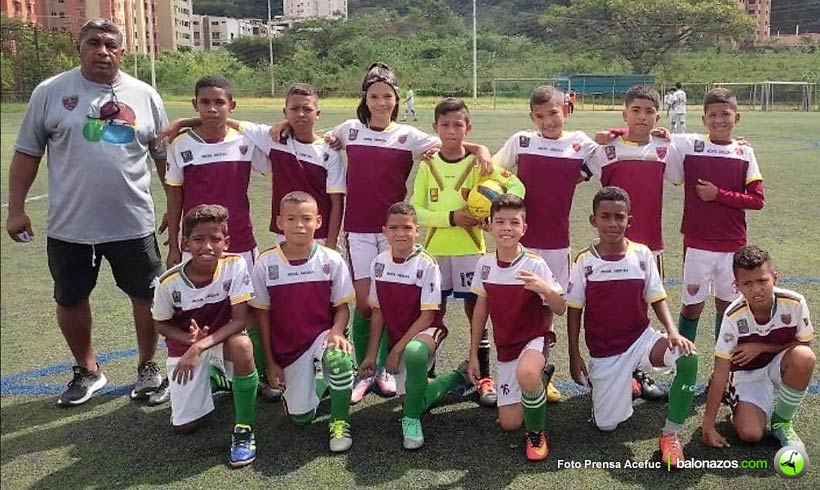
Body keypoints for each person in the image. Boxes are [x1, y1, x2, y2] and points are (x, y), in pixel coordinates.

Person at [5, 18, 168, 407]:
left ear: (122, 51)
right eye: (93, 43)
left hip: (133, 222)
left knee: (148, 296)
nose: (102, 51)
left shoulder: (145, 95)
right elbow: (27, 153)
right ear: (78, 48)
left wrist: (176, 210)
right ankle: (88, 369)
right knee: (70, 298)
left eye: (111, 45)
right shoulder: (51, 92)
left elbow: (164, 158)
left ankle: (148, 367)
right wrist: (16, 209)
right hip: (71, 226)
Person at [321, 62, 493, 404]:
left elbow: (453, 142)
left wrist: (482, 150)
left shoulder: (408, 136)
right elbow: (320, 139)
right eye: (374, 96)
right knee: (366, 304)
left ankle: (387, 367)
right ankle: (364, 370)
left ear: (396, 99)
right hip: (358, 228)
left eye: (387, 96)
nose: (381, 102)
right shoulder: (349, 130)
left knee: (395, 299)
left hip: (396, 231)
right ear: (365, 98)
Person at [160, 75, 274, 404]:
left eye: (219, 103)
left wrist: (185, 120)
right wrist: (174, 246)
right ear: (195, 104)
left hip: (241, 240)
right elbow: (174, 195)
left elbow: (276, 148)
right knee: (196, 310)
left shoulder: (245, 141)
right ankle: (203, 373)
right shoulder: (180, 144)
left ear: (231, 106)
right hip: (195, 246)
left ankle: (256, 372)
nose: (212, 109)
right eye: (205, 103)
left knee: (249, 311)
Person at [566, 187, 698, 468]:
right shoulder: (584, 261)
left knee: (687, 356)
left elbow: (656, 297)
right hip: (606, 351)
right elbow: (574, 309)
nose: (613, 223)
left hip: (641, 339)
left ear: (629, 220)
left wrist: (672, 332)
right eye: (605, 217)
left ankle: (670, 433)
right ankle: (625, 381)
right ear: (593, 220)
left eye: (619, 217)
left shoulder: (641, 254)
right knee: (606, 426)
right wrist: (574, 354)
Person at [411, 97, 525, 408]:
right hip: (435, 252)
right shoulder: (428, 164)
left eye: (457, 125)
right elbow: (416, 211)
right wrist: (451, 218)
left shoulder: (479, 164)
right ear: (435, 128)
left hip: (471, 250)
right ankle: (427, 372)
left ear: (468, 128)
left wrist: (494, 215)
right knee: (432, 313)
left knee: (477, 312)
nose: (451, 131)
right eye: (445, 125)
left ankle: (483, 376)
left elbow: (517, 188)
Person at [492, 85, 597, 403]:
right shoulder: (521, 141)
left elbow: (610, 154)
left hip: (556, 241)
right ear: (532, 118)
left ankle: (542, 369)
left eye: (553, 113)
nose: (548, 121)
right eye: (540, 116)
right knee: (516, 306)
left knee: (547, 308)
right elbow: (493, 171)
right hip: (518, 241)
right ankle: (512, 367)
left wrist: (583, 173)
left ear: (565, 109)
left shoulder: (580, 143)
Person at [583, 85, 681, 400]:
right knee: (611, 309)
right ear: (624, 114)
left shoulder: (666, 148)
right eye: (635, 110)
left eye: (649, 111)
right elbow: (572, 171)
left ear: (658, 116)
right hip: (612, 249)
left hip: (651, 246)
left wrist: (739, 143)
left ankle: (637, 370)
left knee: (644, 308)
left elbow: (690, 166)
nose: (642, 117)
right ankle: (612, 367)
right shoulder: (606, 149)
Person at [152, 204, 259, 468]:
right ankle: (215, 376)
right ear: (185, 243)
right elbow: (161, 325)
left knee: (243, 345)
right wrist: (190, 341)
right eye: (198, 239)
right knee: (185, 426)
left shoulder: (235, 266)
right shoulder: (168, 283)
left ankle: (244, 429)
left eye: (215, 239)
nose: (207, 246)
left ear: (226, 242)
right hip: (186, 347)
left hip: (220, 341)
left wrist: (201, 346)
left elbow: (239, 320)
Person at [250, 191, 356, 452]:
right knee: (301, 418)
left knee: (339, 358)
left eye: (306, 218)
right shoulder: (265, 263)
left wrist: (337, 331)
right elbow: (261, 316)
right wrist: (270, 362)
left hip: (321, 335)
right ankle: (321, 383)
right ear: (279, 222)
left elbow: (342, 308)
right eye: (291, 219)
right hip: (287, 347)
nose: (299, 225)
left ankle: (340, 422)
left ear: (318, 221)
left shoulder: (331, 259)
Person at [360, 202, 470, 450]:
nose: (400, 233)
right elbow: (378, 312)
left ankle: (410, 422)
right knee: (413, 400)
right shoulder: (378, 263)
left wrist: (397, 350)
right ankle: (457, 377)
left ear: (417, 231)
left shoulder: (427, 264)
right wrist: (371, 356)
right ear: (384, 232)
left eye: (407, 228)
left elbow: (428, 317)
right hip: (399, 336)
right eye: (393, 228)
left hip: (427, 332)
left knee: (414, 353)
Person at [469, 194, 567, 461]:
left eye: (514, 222)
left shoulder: (534, 263)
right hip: (506, 347)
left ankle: (536, 434)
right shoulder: (485, 264)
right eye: (500, 221)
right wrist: (473, 353)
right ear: (490, 225)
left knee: (526, 373)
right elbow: (480, 310)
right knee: (509, 423)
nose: (507, 228)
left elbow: (560, 307)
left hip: (534, 339)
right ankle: (540, 380)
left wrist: (545, 288)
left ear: (524, 228)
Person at [667, 88, 765, 344]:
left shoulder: (744, 152)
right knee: (691, 307)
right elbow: (653, 135)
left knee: (728, 307)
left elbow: (757, 200)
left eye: (725, 114)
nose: (719, 120)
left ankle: (725, 361)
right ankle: (685, 363)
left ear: (737, 117)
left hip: (732, 244)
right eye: (712, 115)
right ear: (704, 119)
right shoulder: (689, 144)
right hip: (697, 243)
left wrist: (718, 194)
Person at [702, 245, 815, 451]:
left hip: (778, 366)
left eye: (762, 281)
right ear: (737, 286)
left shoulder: (795, 303)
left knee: (804, 357)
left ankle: (782, 422)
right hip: (748, 375)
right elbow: (721, 370)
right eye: (747, 283)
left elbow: (804, 344)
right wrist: (708, 426)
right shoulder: (733, 316)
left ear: (775, 278)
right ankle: (734, 394)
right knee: (751, 434)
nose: (756, 289)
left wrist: (761, 347)